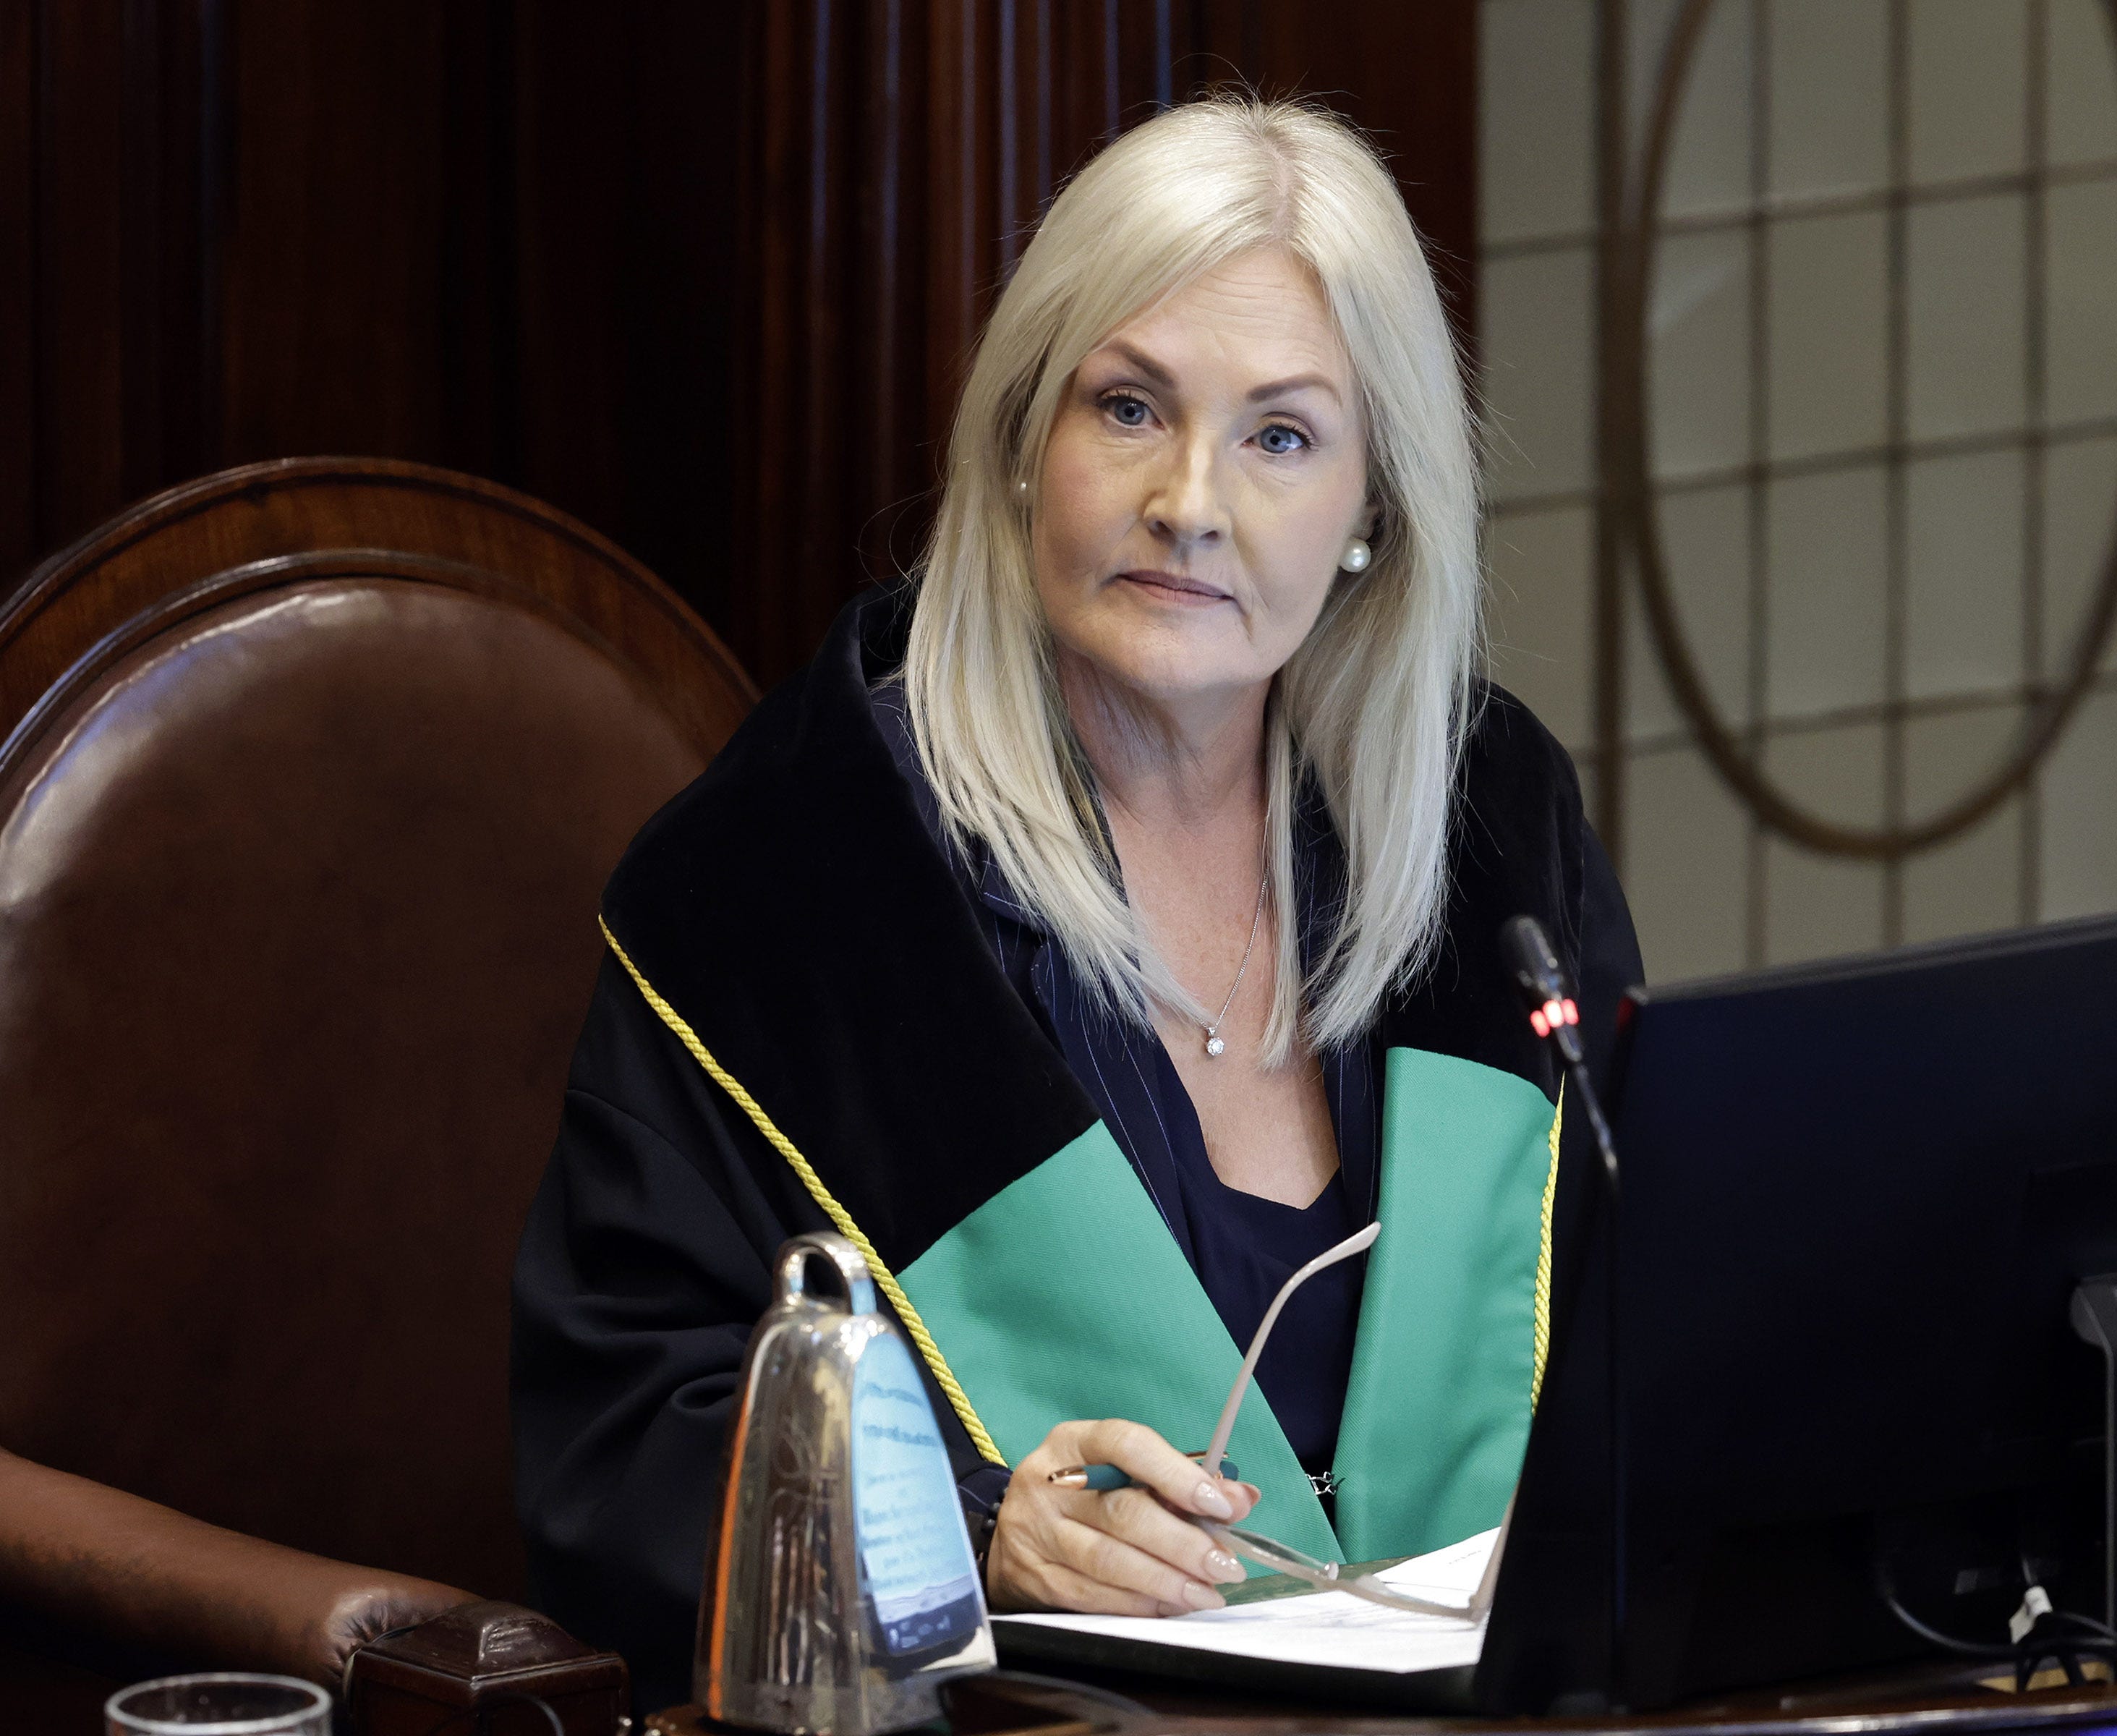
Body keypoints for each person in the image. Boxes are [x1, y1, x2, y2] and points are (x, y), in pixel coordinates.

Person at [510, 96, 1640, 1708]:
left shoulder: (1488, 835)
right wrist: (975, 1535)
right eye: (1128, 407)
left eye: (1281, 437)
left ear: (1372, 511)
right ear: (1021, 441)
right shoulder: (783, 888)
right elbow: (618, 1442)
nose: (1192, 500)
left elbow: (1653, 1306)